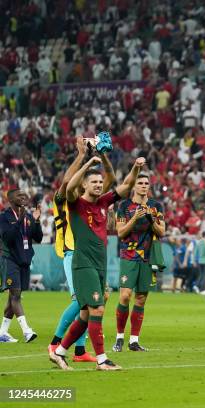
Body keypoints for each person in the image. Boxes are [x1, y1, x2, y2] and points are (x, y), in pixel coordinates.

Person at [48, 155, 145, 371]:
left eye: (100, 182)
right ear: (84, 184)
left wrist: (136, 168)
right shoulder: (75, 203)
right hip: (83, 264)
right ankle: (102, 360)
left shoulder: (104, 202)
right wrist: (86, 165)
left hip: (99, 265)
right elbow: (70, 184)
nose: (99, 185)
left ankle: (60, 352)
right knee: (97, 309)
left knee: (85, 314)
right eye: (94, 182)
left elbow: (127, 184)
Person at [48, 136, 116, 361]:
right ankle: (56, 343)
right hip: (73, 252)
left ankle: (78, 349)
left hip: (92, 255)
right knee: (81, 301)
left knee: (95, 302)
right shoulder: (66, 200)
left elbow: (109, 182)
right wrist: (81, 156)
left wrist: (101, 155)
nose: (96, 186)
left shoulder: (92, 199)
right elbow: (68, 183)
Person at [113, 174, 165, 353]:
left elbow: (162, 231)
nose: (144, 186)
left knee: (141, 298)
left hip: (148, 257)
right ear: (134, 186)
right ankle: (119, 337)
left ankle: (134, 341)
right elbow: (120, 233)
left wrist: (151, 218)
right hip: (128, 255)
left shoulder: (156, 206)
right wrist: (134, 218)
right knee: (125, 295)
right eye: (140, 183)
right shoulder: (124, 206)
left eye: (146, 183)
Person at [0, 189, 43, 343]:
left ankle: (2, 332)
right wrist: (20, 220)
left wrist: (37, 221)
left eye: (24, 195)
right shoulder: (4, 217)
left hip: (24, 260)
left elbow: (38, 238)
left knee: (13, 297)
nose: (24, 197)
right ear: (10, 199)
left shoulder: (29, 217)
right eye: (19, 195)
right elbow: (8, 237)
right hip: (9, 260)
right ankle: (27, 331)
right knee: (16, 295)